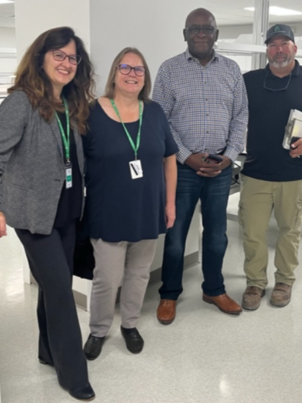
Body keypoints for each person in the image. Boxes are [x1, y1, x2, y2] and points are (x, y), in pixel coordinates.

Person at [0, 27, 96, 401]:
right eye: (59, 55)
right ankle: (74, 374)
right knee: (59, 289)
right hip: (34, 215)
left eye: (72, 57)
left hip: (67, 210)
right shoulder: (21, 102)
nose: (67, 63)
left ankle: (47, 351)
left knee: (51, 288)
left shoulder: (70, 104)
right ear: (40, 57)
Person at [153, 8, 248, 325]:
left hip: (220, 167)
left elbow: (241, 117)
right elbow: (160, 121)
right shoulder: (169, 70)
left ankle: (214, 289)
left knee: (218, 235)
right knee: (176, 235)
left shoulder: (232, 70)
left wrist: (230, 154)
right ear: (185, 34)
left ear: (216, 34)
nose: (201, 33)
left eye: (207, 28)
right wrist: (185, 156)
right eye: (194, 28)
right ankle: (169, 293)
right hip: (181, 169)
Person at [82, 47, 178, 360]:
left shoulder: (154, 112)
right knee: (107, 279)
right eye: (126, 67)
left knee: (138, 275)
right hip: (107, 210)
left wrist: (170, 203)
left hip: (147, 208)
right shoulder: (91, 112)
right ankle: (98, 330)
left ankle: (130, 325)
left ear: (145, 77)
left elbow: (170, 159)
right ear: (114, 73)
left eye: (139, 69)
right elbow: (75, 162)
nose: (132, 74)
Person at [240, 24, 302, 311]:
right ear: (266, 49)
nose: (278, 49)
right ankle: (255, 282)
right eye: (273, 44)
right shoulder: (249, 81)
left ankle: (284, 280)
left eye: (284, 43)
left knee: (288, 231)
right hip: (256, 171)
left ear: (294, 47)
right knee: (253, 232)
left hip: (295, 173)